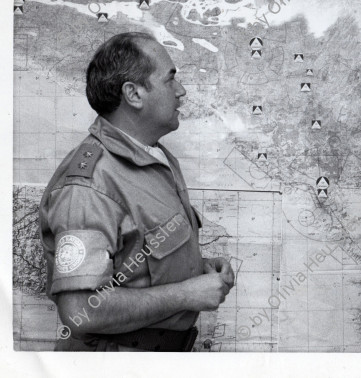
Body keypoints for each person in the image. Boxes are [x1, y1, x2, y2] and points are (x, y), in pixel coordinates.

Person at [39, 32, 235, 351]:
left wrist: (194, 268)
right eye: (170, 79)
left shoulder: (152, 157)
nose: (181, 91)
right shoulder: (89, 184)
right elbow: (80, 311)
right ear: (133, 94)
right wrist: (187, 294)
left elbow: (138, 256)